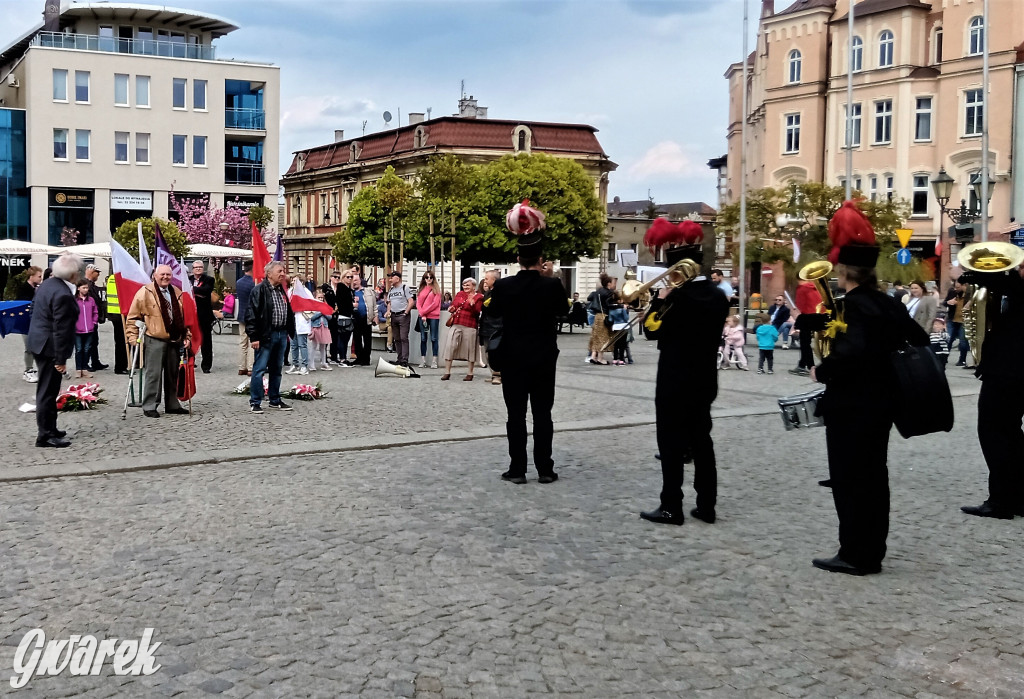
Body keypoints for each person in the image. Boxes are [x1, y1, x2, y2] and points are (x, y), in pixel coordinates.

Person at [810, 201, 929, 576]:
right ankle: (872, 549)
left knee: (849, 480)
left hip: (851, 405)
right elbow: (918, 337)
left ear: (844, 269)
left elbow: (853, 352)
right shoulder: (887, 303)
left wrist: (822, 370)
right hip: (882, 404)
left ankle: (855, 553)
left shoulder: (855, 306)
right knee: (874, 478)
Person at [639, 219, 729, 525]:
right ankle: (707, 506)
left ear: (677, 269)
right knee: (702, 441)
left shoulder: (675, 298)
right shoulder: (718, 296)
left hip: (674, 379)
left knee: (671, 443)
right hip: (705, 378)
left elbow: (651, 333)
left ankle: (671, 506)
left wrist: (658, 301)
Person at [488, 201, 567, 484]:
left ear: (518, 259)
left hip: (513, 357)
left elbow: (493, 312)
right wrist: (549, 277)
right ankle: (545, 469)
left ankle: (518, 469)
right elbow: (564, 311)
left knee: (516, 415)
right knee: (543, 414)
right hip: (544, 357)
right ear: (540, 258)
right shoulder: (551, 285)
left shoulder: (505, 286)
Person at [960, 251, 1024, 519]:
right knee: (1011, 434)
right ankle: (1017, 497)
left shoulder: (1017, 289)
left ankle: (1001, 500)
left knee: (994, 431)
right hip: (1009, 370)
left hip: (1009, 372)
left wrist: (989, 277)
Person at [27, 254, 82, 448]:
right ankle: (45, 435)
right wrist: (61, 359)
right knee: (47, 391)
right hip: (50, 347)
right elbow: (62, 329)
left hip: (39, 342)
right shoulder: (63, 294)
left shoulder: (47, 285)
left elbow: (33, 310)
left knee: (49, 389)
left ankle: (51, 427)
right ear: (73, 275)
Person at [125, 264, 192, 419]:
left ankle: (172, 404)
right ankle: (149, 405)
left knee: (172, 374)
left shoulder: (177, 293)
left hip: (174, 339)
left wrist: (187, 336)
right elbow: (133, 317)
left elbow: (185, 318)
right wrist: (133, 337)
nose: (165, 277)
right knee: (153, 374)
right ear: (155, 275)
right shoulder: (145, 292)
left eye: (168, 275)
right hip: (154, 338)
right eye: (162, 274)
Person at [245, 261, 295, 414]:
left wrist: (289, 331)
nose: (283, 274)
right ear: (269, 274)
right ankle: (255, 401)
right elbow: (251, 315)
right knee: (259, 369)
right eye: (279, 271)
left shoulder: (281, 290)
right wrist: (254, 337)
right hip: (266, 335)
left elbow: (287, 311)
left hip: (281, 334)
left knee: (277, 369)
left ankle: (274, 399)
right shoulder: (259, 290)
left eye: (284, 271)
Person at [440, 278, 484, 381]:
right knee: (450, 346)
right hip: (456, 323)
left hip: (470, 324)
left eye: (468, 285)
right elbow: (454, 305)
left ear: (474, 286)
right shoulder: (460, 294)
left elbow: (477, 312)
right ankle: (447, 372)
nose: (465, 287)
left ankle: (470, 373)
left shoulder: (479, 297)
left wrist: (472, 304)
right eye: (464, 285)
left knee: (470, 349)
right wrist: (451, 308)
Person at [789, 280, 824, 377]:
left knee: (805, 343)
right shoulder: (815, 288)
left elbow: (800, 306)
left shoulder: (802, 288)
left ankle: (810, 366)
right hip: (820, 315)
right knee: (809, 343)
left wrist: (794, 312)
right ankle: (802, 364)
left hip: (807, 318)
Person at [17, 265, 42, 383]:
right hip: (26, 322)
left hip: (36, 322)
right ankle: (28, 370)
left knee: (36, 346)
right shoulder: (23, 288)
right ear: (32, 276)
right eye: (39, 276)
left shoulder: (37, 288)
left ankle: (34, 369)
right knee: (29, 346)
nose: (41, 279)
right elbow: (24, 304)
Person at [190, 260, 216, 373]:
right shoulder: (188, 280)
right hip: (191, 315)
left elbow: (206, 291)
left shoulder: (209, 279)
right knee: (190, 339)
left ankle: (206, 366)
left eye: (200, 267)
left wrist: (193, 290)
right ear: (193, 269)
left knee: (206, 341)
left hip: (204, 315)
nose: (198, 269)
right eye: (196, 267)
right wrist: (198, 292)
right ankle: (190, 363)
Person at [478, 270, 503, 385]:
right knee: (488, 352)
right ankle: (494, 373)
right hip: (486, 326)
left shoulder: (501, 293)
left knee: (495, 352)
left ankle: (497, 374)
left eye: (487, 278)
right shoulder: (487, 293)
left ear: (494, 280)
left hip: (496, 326)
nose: (485, 281)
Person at [386, 270, 414, 366]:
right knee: (396, 338)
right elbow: (389, 302)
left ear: (397, 278)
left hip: (403, 315)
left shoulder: (405, 288)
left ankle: (404, 359)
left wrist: (406, 312)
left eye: (391, 277)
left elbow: (411, 301)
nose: (390, 280)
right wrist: (388, 311)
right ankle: (399, 358)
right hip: (394, 315)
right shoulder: (391, 290)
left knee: (403, 338)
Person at [83, 264, 108, 371]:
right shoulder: (85, 285)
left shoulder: (91, 285)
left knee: (94, 341)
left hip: (93, 318)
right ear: (91, 272)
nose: (98, 275)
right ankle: (85, 363)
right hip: (87, 318)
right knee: (88, 342)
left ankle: (95, 361)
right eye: (97, 273)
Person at [587, 274, 616, 365]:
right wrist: (620, 305)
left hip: (597, 316)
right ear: (608, 283)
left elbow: (590, 298)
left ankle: (593, 356)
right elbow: (609, 305)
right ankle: (600, 358)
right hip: (604, 316)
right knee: (603, 337)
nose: (613, 284)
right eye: (612, 282)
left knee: (596, 336)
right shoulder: (609, 293)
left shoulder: (598, 291)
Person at [104, 271, 129, 375]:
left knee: (119, 342)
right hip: (120, 314)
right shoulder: (121, 279)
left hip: (114, 314)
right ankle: (120, 367)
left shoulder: (111, 278)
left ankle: (121, 366)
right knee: (122, 342)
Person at [416, 270, 442, 369]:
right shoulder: (421, 289)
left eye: (431, 277)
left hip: (433, 316)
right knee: (423, 338)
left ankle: (434, 360)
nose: (429, 279)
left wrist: (423, 312)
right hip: (423, 317)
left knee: (434, 338)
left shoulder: (436, 290)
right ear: (424, 279)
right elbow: (418, 302)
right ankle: (423, 360)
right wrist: (422, 313)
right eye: (427, 277)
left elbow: (435, 304)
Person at [350, 271, 376, 366]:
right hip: (355, 318)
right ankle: (359, 357)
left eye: (356, 280)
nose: (354, 282)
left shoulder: (368, 291)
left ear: (360, 281)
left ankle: (366, 359)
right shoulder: (351, 292)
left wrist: (375, 316)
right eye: (353, 280)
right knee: (357, 339)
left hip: (367, 317)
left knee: (367, 339)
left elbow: (374, 305)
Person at [73, 280, 98, 379]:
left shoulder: (91, 300)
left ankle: (85, 368)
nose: (86, 290)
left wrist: (94, 322)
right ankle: (78, 369)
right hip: (77, 329)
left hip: (89, 328)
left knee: (87, 349)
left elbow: (95, 311)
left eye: (87, 288)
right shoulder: (74, 300)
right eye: (83, 287)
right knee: (79, 349)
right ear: (78, 288)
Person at [235, 260, 255, 376]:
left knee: (242, 342)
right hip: (252, 316)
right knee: (252, 342)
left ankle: (242, 367)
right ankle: (250, 367)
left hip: (242, 314)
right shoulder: (254, 283)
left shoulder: (239, 282)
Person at [287, 278, 310, 376]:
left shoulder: (306, 292)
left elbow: (310, 304)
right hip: (292, 321)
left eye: (295, 280)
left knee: (302, 344)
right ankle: (295, 364)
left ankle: (304, 366)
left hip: (302, 320)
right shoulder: (290, 291)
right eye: (292, 280)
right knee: (293, 344)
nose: (292, 282)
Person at [945, 277, 970, 366]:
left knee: (963, 341)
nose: (956, 289)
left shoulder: (970, 294)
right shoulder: (952, 292)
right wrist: (949, 302)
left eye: (958, 287)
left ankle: (962, 360)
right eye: (955, 287)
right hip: (952, 319)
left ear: (965, 286)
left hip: (963, 321)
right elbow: (944, 302)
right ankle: (944, 357)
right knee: (948, 339)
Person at [308, 292, 333, 372]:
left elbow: (330, 316)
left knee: (323, 346)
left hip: (324, 327)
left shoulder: (325, 306)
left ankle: (324, 362)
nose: (321, 299)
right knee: (314, 346)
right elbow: (311, 317)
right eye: (319, 297)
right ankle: (311, 363)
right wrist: (320, 312)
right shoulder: (313, 306)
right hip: (316, 327)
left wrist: (324, 312)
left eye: (322, 297)